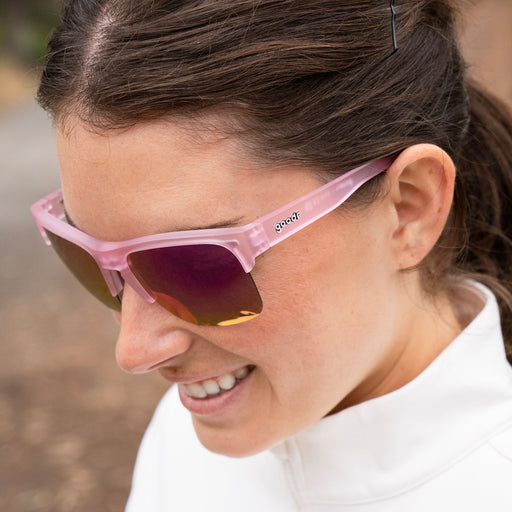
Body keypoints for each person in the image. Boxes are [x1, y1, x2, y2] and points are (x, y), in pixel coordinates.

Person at [31, 0, 512, 510]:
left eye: (197, 265)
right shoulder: (187, 435)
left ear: (409, 207)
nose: (134, 351)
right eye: (88, 257)